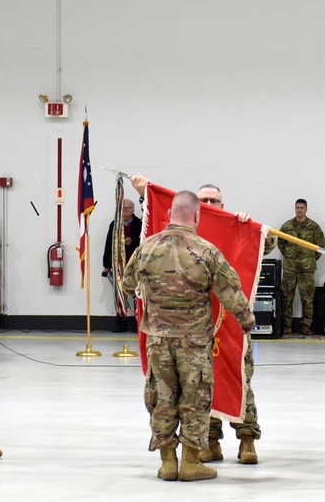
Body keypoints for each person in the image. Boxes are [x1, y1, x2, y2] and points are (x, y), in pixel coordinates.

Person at [131, 175, 271, 466]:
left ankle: (171, 461)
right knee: (195, 398)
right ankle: (195, 457)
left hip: (162, 337)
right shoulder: (206, 251)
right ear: (196, 213)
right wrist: (247, 319)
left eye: (214, 202)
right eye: (203, 202)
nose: (209, 207)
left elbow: (128, 283)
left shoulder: (147, 248)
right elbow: (231, 290)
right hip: (195, 339)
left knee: (167, 397)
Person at [277, 198, 325, 336]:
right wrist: (288, 255)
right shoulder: (287, 226)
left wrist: (310, 259)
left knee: (307, 299)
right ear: (295, 209)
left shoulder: (313, 227)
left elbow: (321, 246)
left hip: (307, 269)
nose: (299, 210)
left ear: (306, 209)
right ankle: (287, 326)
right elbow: (281, 243)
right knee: (287, 298)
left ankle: (306, 326)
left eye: (301, 208)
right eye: (297, 208)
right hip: (290, 269)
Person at [102, 198, 143, 332]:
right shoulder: (114, 224)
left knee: (137, 295)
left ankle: (138, 324)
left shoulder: (140, 224)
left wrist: (133, 241)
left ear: (133, 210)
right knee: (120, 296)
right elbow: (108, 244)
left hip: (135, 266)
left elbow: (144, 243)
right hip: (118, 265)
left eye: (128, 208)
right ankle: (121, 324)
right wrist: (107, 264)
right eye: (123, 208)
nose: (125, 211)